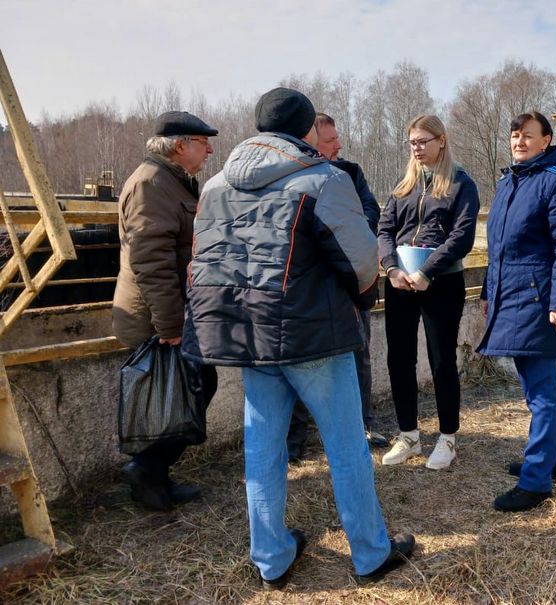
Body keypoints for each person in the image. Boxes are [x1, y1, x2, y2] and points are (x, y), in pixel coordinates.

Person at [181, 88, 414, 588]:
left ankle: (271, 557)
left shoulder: (217, 185)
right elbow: (361, 263)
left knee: (262, 447)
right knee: (346, 445)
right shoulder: (321, 180)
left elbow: (205, 259)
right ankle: (371, 554)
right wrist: (359, 300)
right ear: (307, 129)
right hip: (312, 335)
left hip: (247, 334)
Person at [112, 111, 220, 512]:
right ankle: (146, 471)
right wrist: (171, 324)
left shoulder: (169, 181)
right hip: (155, 318)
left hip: (168, 312)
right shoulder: (151, 184)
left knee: (190, 390)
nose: (208, 150)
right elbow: (151, 260)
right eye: (202, 142)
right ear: (180, 145)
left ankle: (153, 474)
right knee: (189, 389)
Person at [478, 111, 556, 512]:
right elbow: (498, 249)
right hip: (511, 297)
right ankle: (552, 463)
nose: (519, 142)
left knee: (541, 394)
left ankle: (536, 480)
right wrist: (489, 291)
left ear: (546, 140)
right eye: (514, 135)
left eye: (527, 136)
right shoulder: (509, 183)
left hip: (539, 302)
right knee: (538, 388)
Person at [377, 115, 480, 470]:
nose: (417, 148)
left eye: (424, 141)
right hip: (400, 284)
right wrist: (391, 268)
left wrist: (426, 271)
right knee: (399, 359)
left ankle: (447, 438)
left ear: (442, 140)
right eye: (412, 143)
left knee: (441, 361)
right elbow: (385, 228)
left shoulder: (460, 184)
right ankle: (408, 435)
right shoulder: (403, 185)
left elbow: (461, 237)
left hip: (441, 283)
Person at [286, 112, 387, 462]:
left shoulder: (351, 172)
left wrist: (350, 228)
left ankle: (363, 424)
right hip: (308, 286)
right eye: (330, 141)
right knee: (300, 360)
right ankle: (294, 439)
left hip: (346, 280)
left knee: (358, 354)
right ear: (312, 141)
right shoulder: (293, 174)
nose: (338, 145)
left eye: (337, 140)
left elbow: (372, 211)